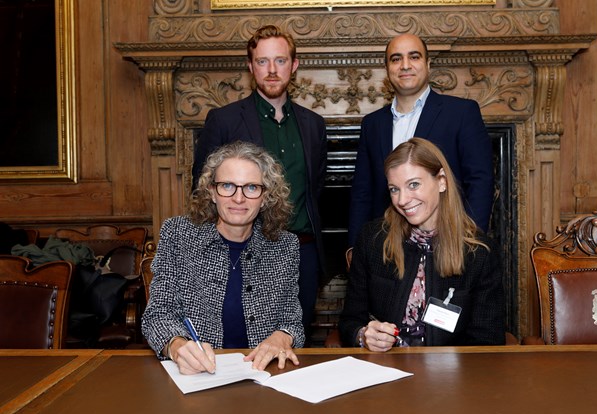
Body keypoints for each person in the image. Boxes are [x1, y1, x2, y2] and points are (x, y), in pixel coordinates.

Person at [192, 25, 327, 333]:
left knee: (293, 339)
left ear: (294, 65)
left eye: (280, 61)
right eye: (262, 61)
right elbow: (202, 191)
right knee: (241, 338)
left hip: (302, 252)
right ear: (251, 67)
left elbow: (316, 187)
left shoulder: (314, 125)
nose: (271, 70)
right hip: (244, 250)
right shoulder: (224, 120)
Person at [143, 141, 304, 374]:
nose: (238, 199)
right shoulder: (178, 234)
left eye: (251, 187)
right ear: (211, 192)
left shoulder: (285, 246)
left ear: (266, 196)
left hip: (263, 374)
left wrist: (283, 336)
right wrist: (177, 346)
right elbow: (158, 314)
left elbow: (292, 321)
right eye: (227, 185)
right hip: (198, 376)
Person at [339, 138, 505, 350]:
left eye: (413, 185)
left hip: (452, 375)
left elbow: (487, 342)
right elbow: (349, 322)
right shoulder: (372, 239)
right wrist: (363, 336)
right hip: (385, 370)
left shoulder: (479, 253)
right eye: (394, 189)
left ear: (442, 181)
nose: (402, 200)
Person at [348, 33, 493, 247]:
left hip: (447, 243)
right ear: (387, 69)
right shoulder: (372, 124)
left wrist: (470, 241)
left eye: (414, 57)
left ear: (428, 64)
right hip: (388, 247)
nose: (405, 65)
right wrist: (354, 246)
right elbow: (362, 191)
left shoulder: (461, 113)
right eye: (396, 59)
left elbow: (480, 181)